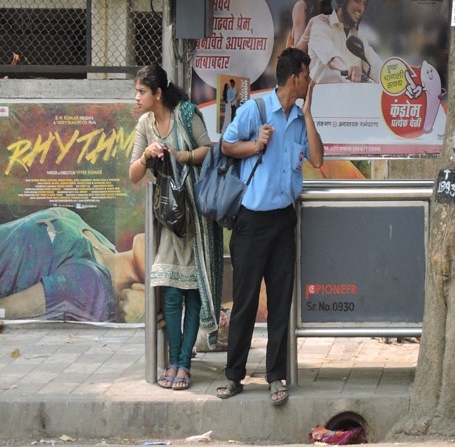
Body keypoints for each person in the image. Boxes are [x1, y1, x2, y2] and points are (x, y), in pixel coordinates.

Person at [217, 47, 324, 406]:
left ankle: (275, 377)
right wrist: (255, 144)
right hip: (251, 221)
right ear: (295, 78)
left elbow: (318, 158)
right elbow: (226, 145)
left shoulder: (297, 117)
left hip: (283, 220)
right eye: (307, 76)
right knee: (245, 302)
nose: (310, 82)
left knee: (280, 303)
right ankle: (234, 375)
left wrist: (308, 115)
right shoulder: (256, 109)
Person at [128, 64, 221, 391]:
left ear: (158, 93)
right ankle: (172, 362)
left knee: (193, 292)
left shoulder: (185, 114)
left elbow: (210, 150)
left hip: (195, 215)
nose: (137, 97)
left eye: (141, 92)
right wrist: (148, 157)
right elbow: (134, 174)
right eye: (137, 91)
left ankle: (183, 363)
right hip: (167, 220)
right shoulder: (144, 124)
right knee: (169, 290)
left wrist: (180, 155)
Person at [0, 208, 145, 323]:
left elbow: (4, 310)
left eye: (167, 259)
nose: (164, 247)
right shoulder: (104, 245)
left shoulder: (91, 287)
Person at [307, 0, 382, 84]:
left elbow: (378, 68)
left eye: (364, 3)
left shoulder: (358, 37)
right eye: (357, 0)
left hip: (350, 100)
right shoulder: (321, 27)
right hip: (320, 101)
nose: (361, 8)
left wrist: (404, 78)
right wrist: (346, 68)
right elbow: (330, 56)